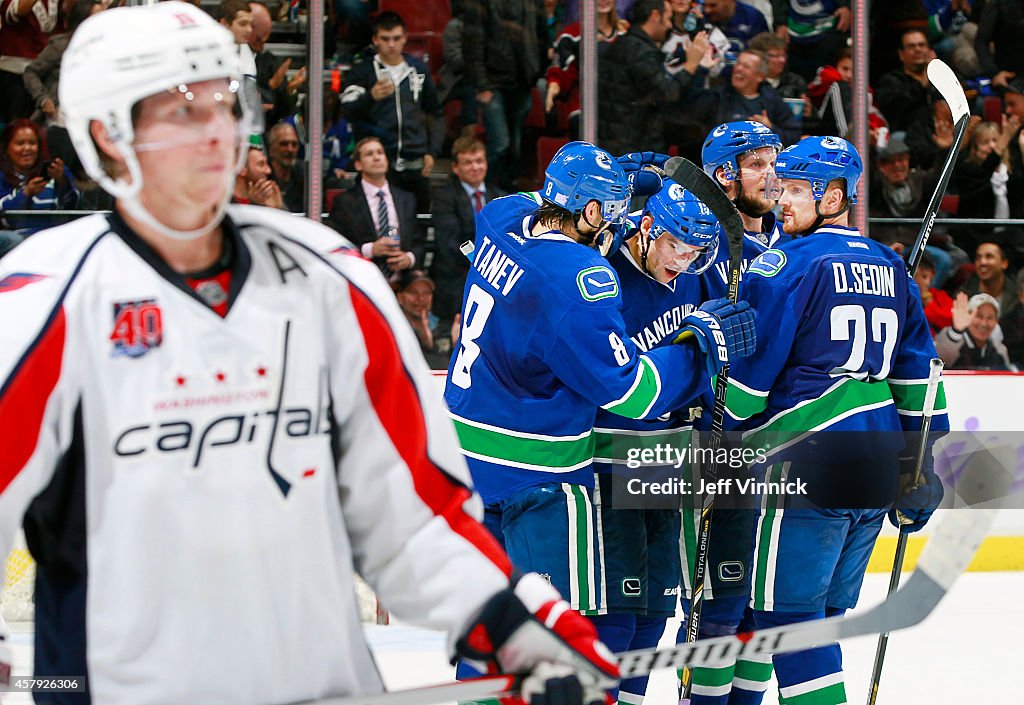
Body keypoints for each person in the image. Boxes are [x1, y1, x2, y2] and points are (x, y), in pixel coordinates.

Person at [0, 4, 623, 704]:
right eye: (181, 112)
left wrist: (509, 621)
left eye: (224, 102)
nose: (217, 130)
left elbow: (413, 514)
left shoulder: (332, 279)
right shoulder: (42, 306)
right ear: (106, 135)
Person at [443, 141, 757, 683]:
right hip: (536, 475)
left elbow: (537, 203)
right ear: (589, 212)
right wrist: (699, 348)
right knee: (552, 634)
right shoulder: (581, 278)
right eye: (608, 213)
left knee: (490, 620)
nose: (615, 225)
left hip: (466, 459)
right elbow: (631, 392)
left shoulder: (499, 218)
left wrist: (618, 183)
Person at [723, 136, 948, 705]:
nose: (783, 200)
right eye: (781, 188)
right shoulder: (892, 267)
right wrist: (919, 468)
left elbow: (749, 386)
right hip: (875, 468)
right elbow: (919, 378)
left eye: (797, 190)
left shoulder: (784, 263)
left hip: (807, 464)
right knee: (818, 619)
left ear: (835, 195)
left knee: (787, 625)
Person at [591, 179, 721, 704]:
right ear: (647, 228)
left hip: (669, 458)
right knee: (617, 616)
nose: (683, 262)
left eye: (694, 253)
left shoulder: (693, 281)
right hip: (608, 458)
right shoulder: (602, 274)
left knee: (655, 616)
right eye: (675, 247)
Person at [339, 10, 443, 213]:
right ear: (375, 39)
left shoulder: (418, 69)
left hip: (415, 161)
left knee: (417, 223)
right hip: (377, 161)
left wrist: (433, 151)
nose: (391, 44)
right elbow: (346, 111)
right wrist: (370, 97)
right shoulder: (362, 71)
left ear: (405, 38)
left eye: (396, 38)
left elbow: (435, 112)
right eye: (385, 39)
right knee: (378, 221)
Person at [598, 0, 711, 155]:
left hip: (616, 140)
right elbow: (667, 93)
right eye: (668, 18)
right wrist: (691, 64)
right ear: (655, 15)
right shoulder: (640, 52)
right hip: (632, 148)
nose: (669, 26)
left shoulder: (625, 44)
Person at [429, 135, 506, 335]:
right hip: (456, 274)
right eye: (468, 162)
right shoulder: (444, 196)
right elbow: (450, 241)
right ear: (455, 167)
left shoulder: (499, 196)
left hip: (494, 274)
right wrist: (482, 262)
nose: (475, 167)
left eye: (479, 161)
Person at [327, 136, 423, 277]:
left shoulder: (406, 199)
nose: (377, 158)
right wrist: (370, 250)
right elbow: (338, 245)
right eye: (369, 154)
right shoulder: (345, 202)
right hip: (362, 278)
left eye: (380, 153)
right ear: (358, 165)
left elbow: (418, 240)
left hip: (402, 281)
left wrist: (409, 258)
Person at [684, 48, 801, 145]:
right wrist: (702, 70)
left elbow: (793, 137)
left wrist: (770, 128)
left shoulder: (773, 101)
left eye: (746, 66)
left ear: (760, 76)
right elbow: (692, 109)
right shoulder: (719, 96)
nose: (738, 68)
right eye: (738, 63)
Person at [0, 118, 78, 234]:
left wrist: (62, 182)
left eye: (32, 143)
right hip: (16, 241)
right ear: (7, 148)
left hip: (54, 236)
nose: (27, 148)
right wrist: (26, 193)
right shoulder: (2, 177)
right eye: (20, 143)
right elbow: (4, 218)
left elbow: (73, 208)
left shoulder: (56, 172)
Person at [875, 29, 937, 133]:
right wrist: (926, 76)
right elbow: (897, 110)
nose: (917, 49)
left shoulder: (942, 78)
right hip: (906, 136)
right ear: (901, 54)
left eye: (921, 45)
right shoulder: (891, 81)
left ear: (930, 51)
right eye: (911, 46)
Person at [935, 292, 1017, 370]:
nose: (984, 323)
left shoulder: (999, 350)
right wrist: (956, 331)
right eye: (978, 316)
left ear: (996, 321)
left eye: (990, 318)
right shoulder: (950, 337)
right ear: (968, 315)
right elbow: (937, 362)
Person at [393, 268, 451, 369]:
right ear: (400, 297)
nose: (420, 298)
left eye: (426, 293)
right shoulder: (393, 329)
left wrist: (457, 345)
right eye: (413, 292)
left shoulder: (445, 329)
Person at [232, 135, 284, 208]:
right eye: (261, 164)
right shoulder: (223, 204)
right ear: (241, 168)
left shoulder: (270, 198)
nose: (268, 171)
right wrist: (256, 206)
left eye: (267, 164)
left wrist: (277, 209)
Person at [266, 121, 305, 212]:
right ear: (271, 148)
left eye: (294, 144)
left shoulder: (305, 182)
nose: (290, 149)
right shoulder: (262, 180)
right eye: (284, 144)